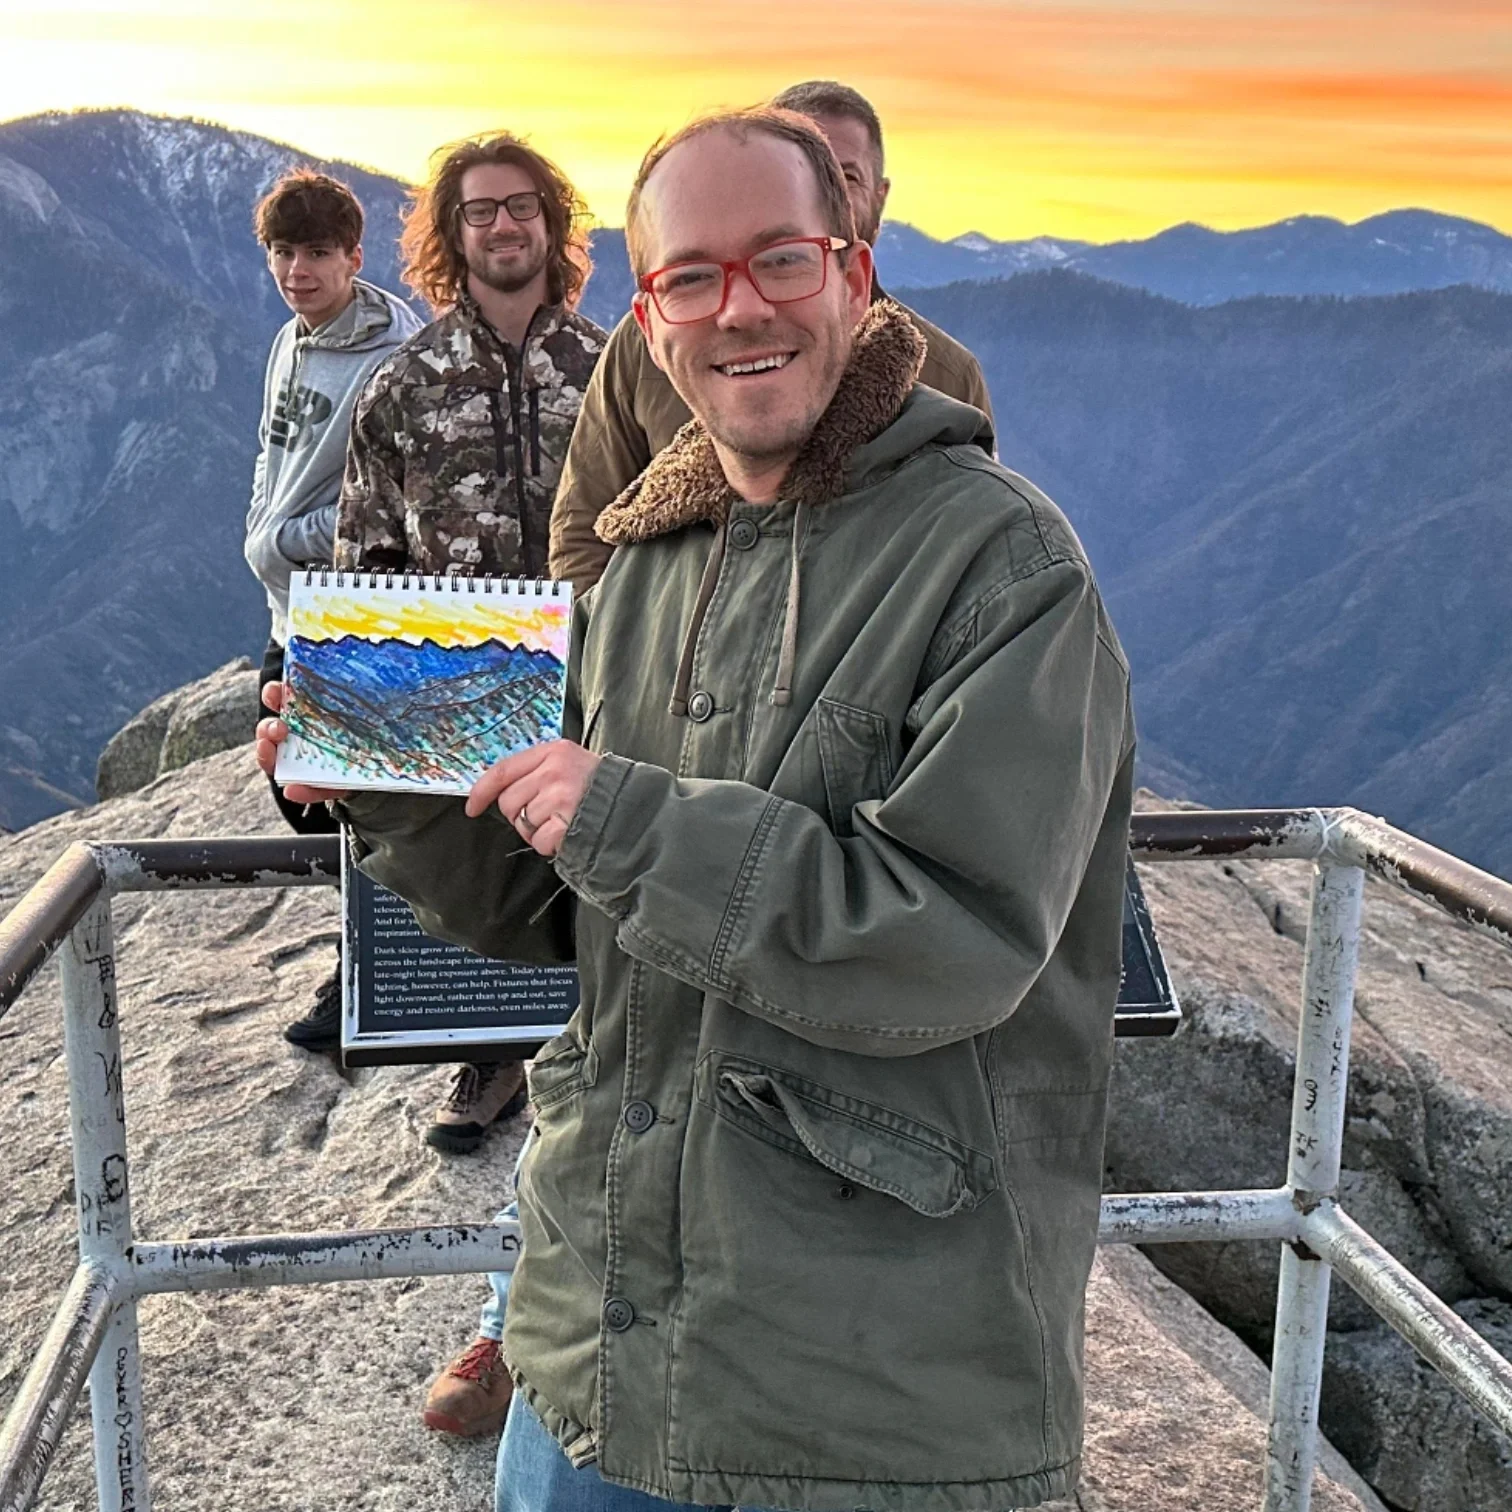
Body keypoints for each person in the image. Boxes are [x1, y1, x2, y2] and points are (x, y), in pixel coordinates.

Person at [262, 105, 1132, 1511]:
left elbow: (954, 935)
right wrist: (383, 773)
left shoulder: (1007, 566)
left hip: (860, 1395)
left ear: (854, 273)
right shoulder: (651, 570)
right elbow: (550, 910)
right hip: (595, 1341)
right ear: (649, 321)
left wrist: (626, 818)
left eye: (782, 260)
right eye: (692, 278)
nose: (741, 309)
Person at [326, 131, 606, 1437]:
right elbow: (365, 560)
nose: (503, 227)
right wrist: (347, 732)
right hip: (462, 715)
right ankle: (489, 1068)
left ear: (554, 224)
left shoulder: (619, 371)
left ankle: (539, 1301)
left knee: (613, 969)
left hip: (613, 711)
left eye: (521, 208)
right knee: (495, 923)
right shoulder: (402, 385)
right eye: (479, 212)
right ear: (451, 235)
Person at [548, 78, 996, 595]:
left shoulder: (946, 374)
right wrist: (609, 657)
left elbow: (968, 563)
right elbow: (585, 530)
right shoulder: (651, 345)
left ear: (879, 195)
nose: (743, 311)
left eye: (843, 175)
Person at [243, 168, 422, 1049]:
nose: (297, 269)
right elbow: (272, 455)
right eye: (283, 251)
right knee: (301, 793)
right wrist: (260, 528)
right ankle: (372, 959)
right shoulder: (291, 339)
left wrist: (286, 540)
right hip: (288, 609)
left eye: (317, 252)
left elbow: (391, 493)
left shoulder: (392, 353)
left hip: (349, 608)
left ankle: (375, 972)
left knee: (345, 802)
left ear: (355, 255)